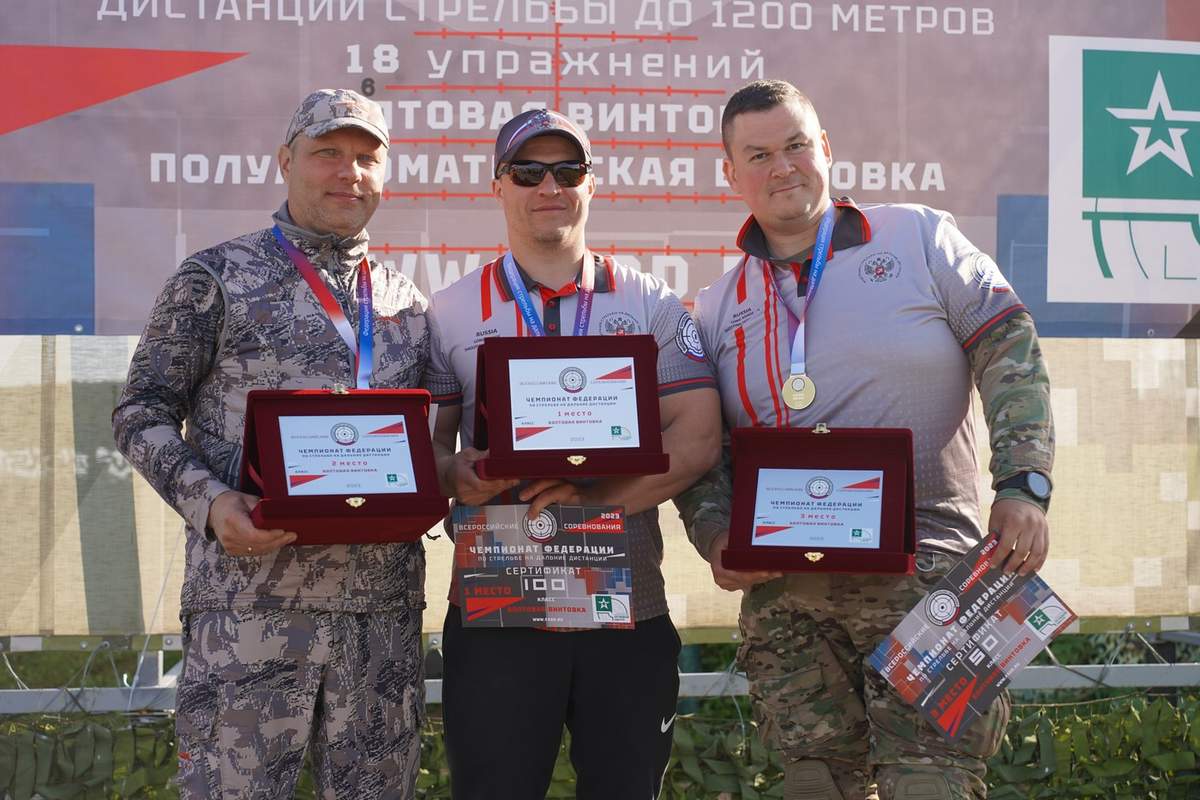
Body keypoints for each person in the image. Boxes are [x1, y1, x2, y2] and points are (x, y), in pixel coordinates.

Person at [674, 80, 1055, 800]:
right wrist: (716, 535)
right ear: (730, 172)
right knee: (815, 786)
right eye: (758, 154)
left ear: (825, 148)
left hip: (935, 575)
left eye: (796, 145)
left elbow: (1011, 350)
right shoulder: (718, 305)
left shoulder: (919, 237)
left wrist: (1024, 483)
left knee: (931, 786)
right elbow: (704, 449)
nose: (782, 167)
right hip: (788, 600)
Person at [113, 89, 430, 799]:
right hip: (249, 613)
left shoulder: (407, 304)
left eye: (366, 158)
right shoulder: (215, 279)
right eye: (328, 153)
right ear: (286, 161)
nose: (348, 172)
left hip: (378, 621)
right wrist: (212, 503)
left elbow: (427, 445)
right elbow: (140, 411)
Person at [421, 108, 721, 800]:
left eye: (568, 170)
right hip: (498, 602)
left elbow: (699, 438)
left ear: (592, 183)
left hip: (626, 606)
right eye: (528, 171)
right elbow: (429, 449)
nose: (549, 186)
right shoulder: (450, 310)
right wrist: (454, 473)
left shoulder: (650, 303)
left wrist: (596, 500)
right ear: (498, 185)